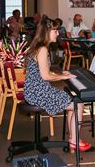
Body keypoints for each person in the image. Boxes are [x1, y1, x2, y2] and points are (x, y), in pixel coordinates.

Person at [24, 18, 91, 152]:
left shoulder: (39, 47)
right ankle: (74, 140)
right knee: (78, 104)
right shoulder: (42, 49)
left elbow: (44, 72)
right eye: (55, 31)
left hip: (36, 89)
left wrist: (61, 73)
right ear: (47, 32)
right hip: (38, 92)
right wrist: (63, 76)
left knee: (74, 102)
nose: (58, 33)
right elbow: (45, 76)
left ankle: (73, 139)